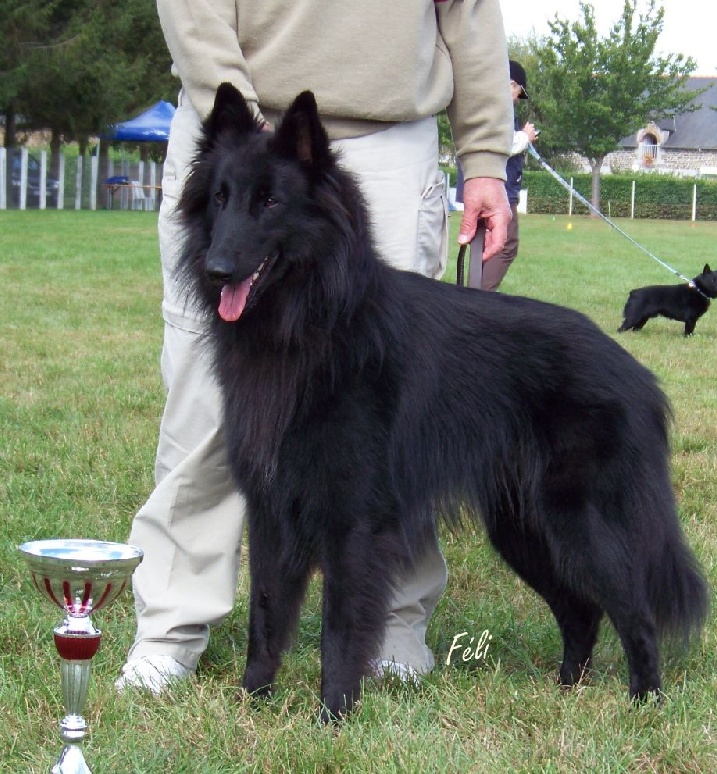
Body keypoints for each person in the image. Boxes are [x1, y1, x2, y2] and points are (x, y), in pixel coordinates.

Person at [116, 0, 513, 694]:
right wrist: (233, 114)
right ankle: (172, 625)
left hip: (388, 136)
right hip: (234, 131)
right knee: (203, 411)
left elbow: (470, 11)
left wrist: (485, 154)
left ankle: (391, 623)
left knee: (390, 422)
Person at [456, 59, 537, 291]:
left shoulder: (480, 102)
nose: (516, 98)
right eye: (518, 91)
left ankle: (472, 293)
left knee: (482, 242)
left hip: (475, 180)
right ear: (511, 84)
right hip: (497, 186)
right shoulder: (500, 108)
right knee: (507, 244)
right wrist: (525, 137)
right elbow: (501, 144)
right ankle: (480, 297)